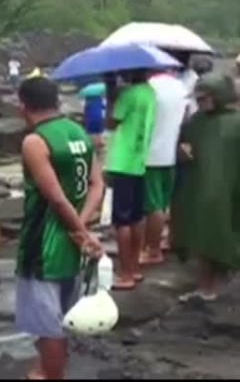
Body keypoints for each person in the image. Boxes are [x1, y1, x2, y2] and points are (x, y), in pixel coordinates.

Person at [13, 76, 104, 380]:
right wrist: (84, 228)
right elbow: (96, 184)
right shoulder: (77, 131)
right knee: (62, 314)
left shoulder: (35, 141)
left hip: (43, 244)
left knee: (47, 324)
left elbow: (56, 198)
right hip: (72, 242)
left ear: (23, 105)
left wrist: (80, 232)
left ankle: (53, 375)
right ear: (56, 102)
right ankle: (46, 369)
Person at [172, 73, 239, 302]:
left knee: (222, 236)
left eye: (205, 97)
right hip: (199, 186)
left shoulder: (236, 123)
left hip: (229, 189)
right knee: (201, 236)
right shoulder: (196, 121)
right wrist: (182, 152)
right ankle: (205, 287)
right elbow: (184, 146)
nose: (201, 102)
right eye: (198, 98)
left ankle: (217, 287)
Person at [105, 70, 157, 290]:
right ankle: (134, 268)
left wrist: (111, 95)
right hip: (139, 161)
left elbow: (111, 122)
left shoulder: (128, 94)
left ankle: (125, 273)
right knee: (137, 217)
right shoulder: (150, 92)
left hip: (122, 161)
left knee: (122, 221)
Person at [140, 68, 188, 265]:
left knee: (153, 207)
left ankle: (153, 250)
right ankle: (156, 244)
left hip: (150, 155)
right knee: (162, 204)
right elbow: (186, 120)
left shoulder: (149, 88)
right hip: (170, 154)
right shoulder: (181, 87)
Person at [78, 83, 107, 153]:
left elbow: (85, 111)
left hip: (90, 119)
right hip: (99, 118)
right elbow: (104, 107)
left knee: (91, 132)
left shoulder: (87, 102)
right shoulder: (99, 100)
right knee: (99, 131)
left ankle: (94, 145)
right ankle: (100, 143)